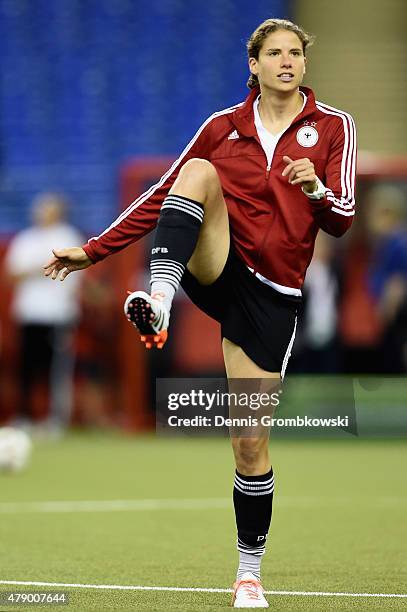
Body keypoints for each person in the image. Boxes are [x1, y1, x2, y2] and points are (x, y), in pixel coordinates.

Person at [44, 18, 356, 608]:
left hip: (275, 296)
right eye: (274, 53)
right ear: (254, 65)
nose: (286, 61)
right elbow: (163, 192)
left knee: (249, 441)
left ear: (304, 65)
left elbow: (342, 217)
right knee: (197, 172)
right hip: (220, 264)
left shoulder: (334, 127)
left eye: (295, 53)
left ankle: (248, 572)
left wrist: (315, 187)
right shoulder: (221, 127)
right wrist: (93, 251)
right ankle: (160, 297)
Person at [6, 192, 83, 433]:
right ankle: (25, 416)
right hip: (30, 314)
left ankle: (55, 419)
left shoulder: (68, 236)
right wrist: (38, 269)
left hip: (58, 315)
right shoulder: (26, 239)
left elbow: (77, 277)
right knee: (27, 368)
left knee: (56, 369)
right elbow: (12, 274)